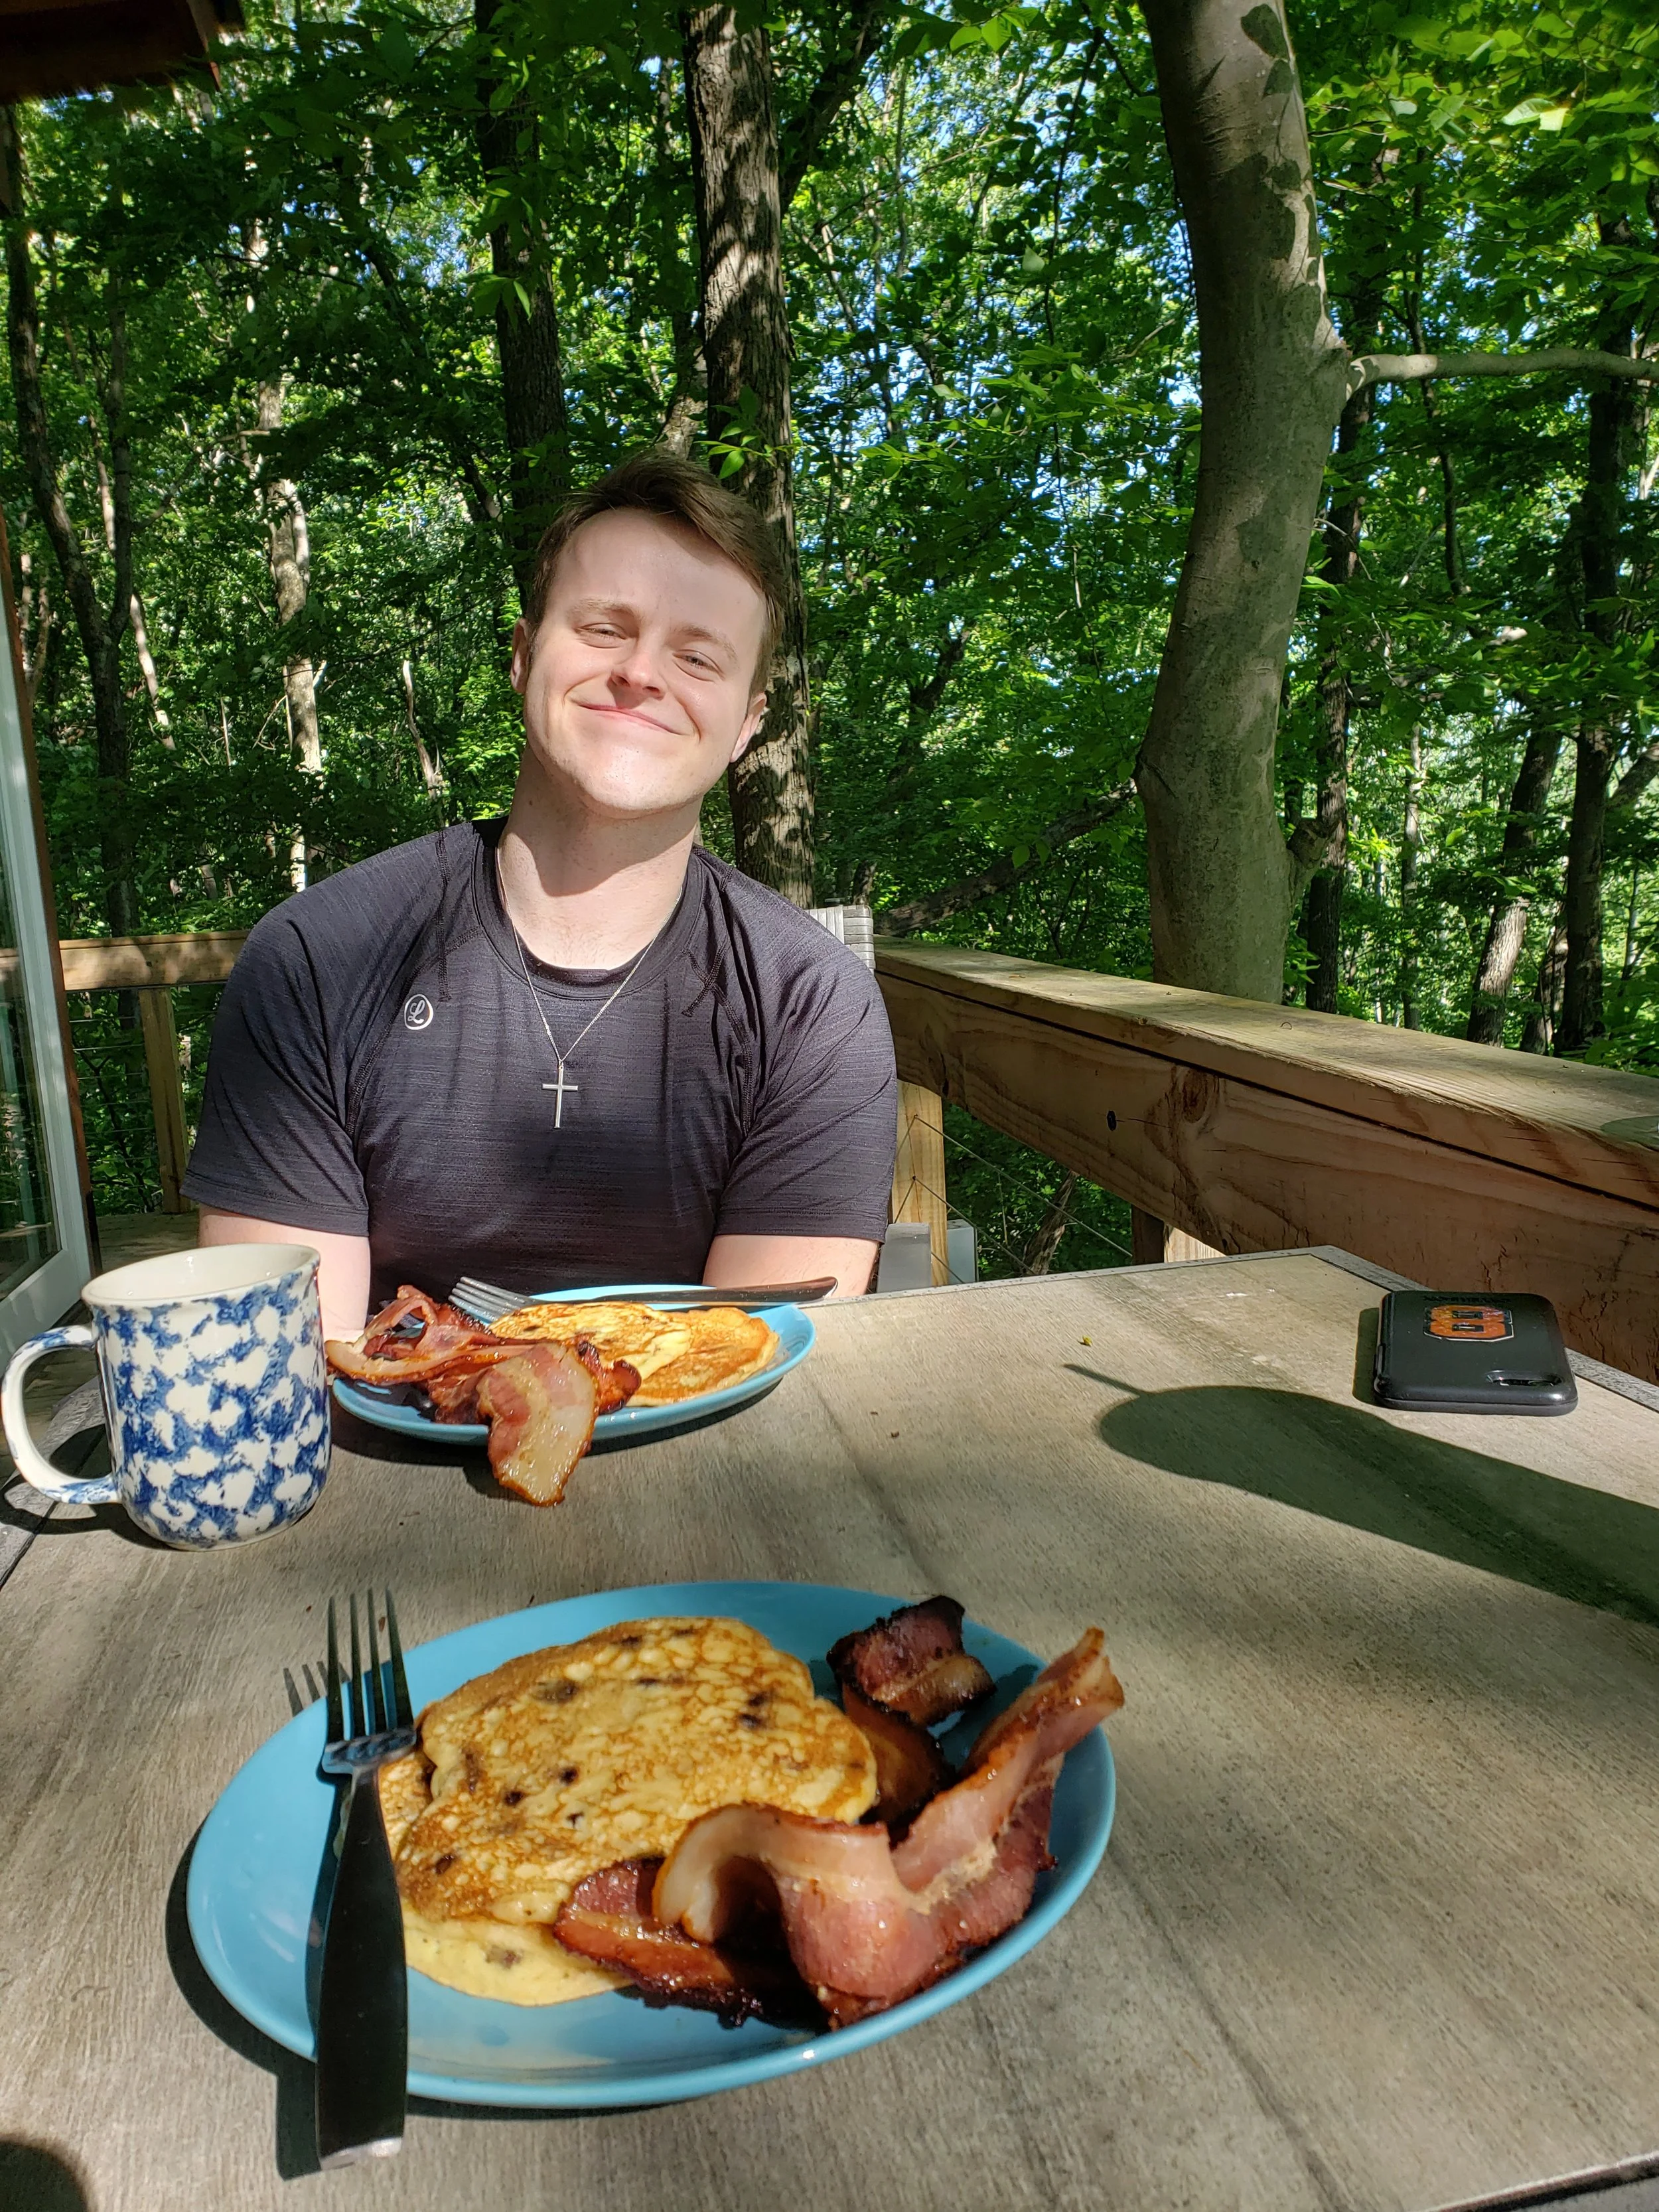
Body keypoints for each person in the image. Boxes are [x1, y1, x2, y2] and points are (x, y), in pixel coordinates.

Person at [184, 453, 897, 1338]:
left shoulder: (812, 1004)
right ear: (525, 657)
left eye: (698, 655)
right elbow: (295, 1365)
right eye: (605, 629)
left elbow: (760, 1368)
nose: (642, 672)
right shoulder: (317, 962)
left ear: (748, 724)